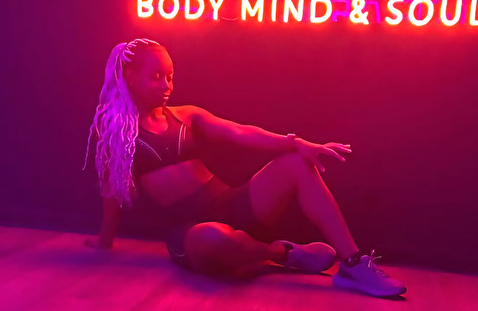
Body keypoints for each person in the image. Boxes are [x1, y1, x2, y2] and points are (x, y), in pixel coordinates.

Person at [84, 38, 406, 298]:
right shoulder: (115, 132)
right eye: (156, 77)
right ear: (129, 76)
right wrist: (104, 240)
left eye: (170, 76)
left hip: (229, 206)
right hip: (189, 232)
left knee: (296, 163)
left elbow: (241, 132)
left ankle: (353, 262)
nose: (167, 85)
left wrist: (297, 143)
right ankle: (281, 253)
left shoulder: (186, 115)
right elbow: (111, 191)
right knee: (213, 238)